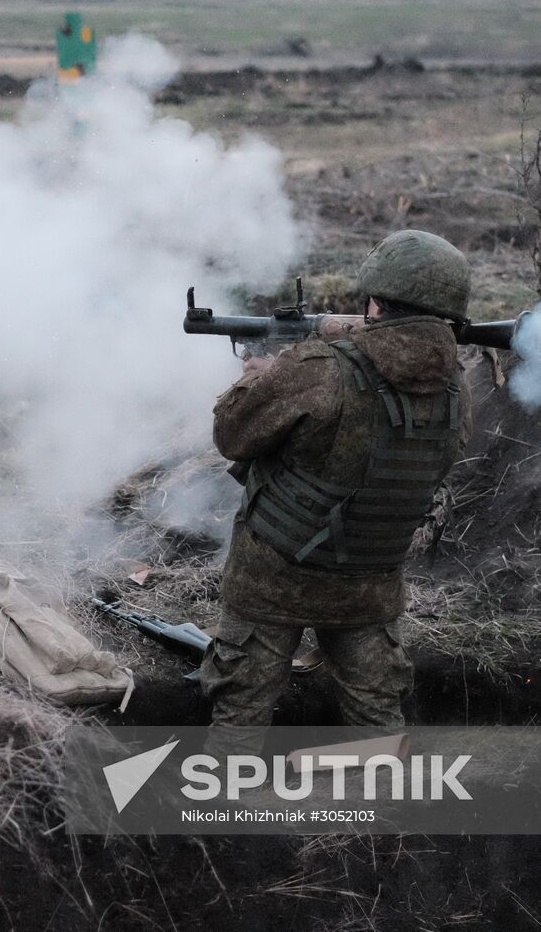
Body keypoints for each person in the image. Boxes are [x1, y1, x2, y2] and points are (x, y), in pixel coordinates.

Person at [201, 229, 474, 738]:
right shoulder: (457, 387)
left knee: (238, 716)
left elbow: (232, 436)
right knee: (378, 721)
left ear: (375, 299)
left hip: (273, 578)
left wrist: (257, 375)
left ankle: (225, 812)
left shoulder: (318, 370)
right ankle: (373, 814)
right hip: (368, 586)